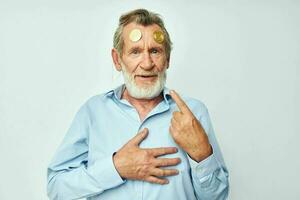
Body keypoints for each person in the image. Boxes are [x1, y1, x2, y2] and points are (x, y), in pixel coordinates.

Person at [47, 8, 229, 200]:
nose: (147, 63)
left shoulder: (194, 113)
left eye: (155, 51)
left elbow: (218, 197)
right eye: (135, 52)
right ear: (117, 59)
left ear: (167, 59)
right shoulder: (93, 112)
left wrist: (203, 155)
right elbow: (56, 186)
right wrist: (115, 168)